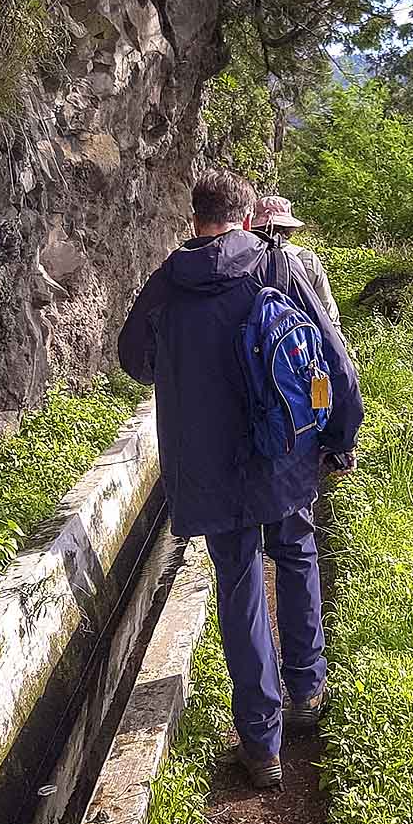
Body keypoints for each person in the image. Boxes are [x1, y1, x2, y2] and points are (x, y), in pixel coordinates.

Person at [117, 170, 364, 790]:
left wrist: (178, 372)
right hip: (282, 452)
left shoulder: (168, 283)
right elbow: (333, 360)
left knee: (240, 583)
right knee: (297, 554)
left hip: (209, 466)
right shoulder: (278, 268)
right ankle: (307, 691)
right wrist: (339, 439)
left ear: (195, 217)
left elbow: (132, 358)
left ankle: (262, 742)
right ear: (247, 216)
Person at [250, 195, 341, 328]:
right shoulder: (306, 258)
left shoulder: (244, 257)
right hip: (300, 336)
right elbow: (326, 306)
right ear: (289, 229)